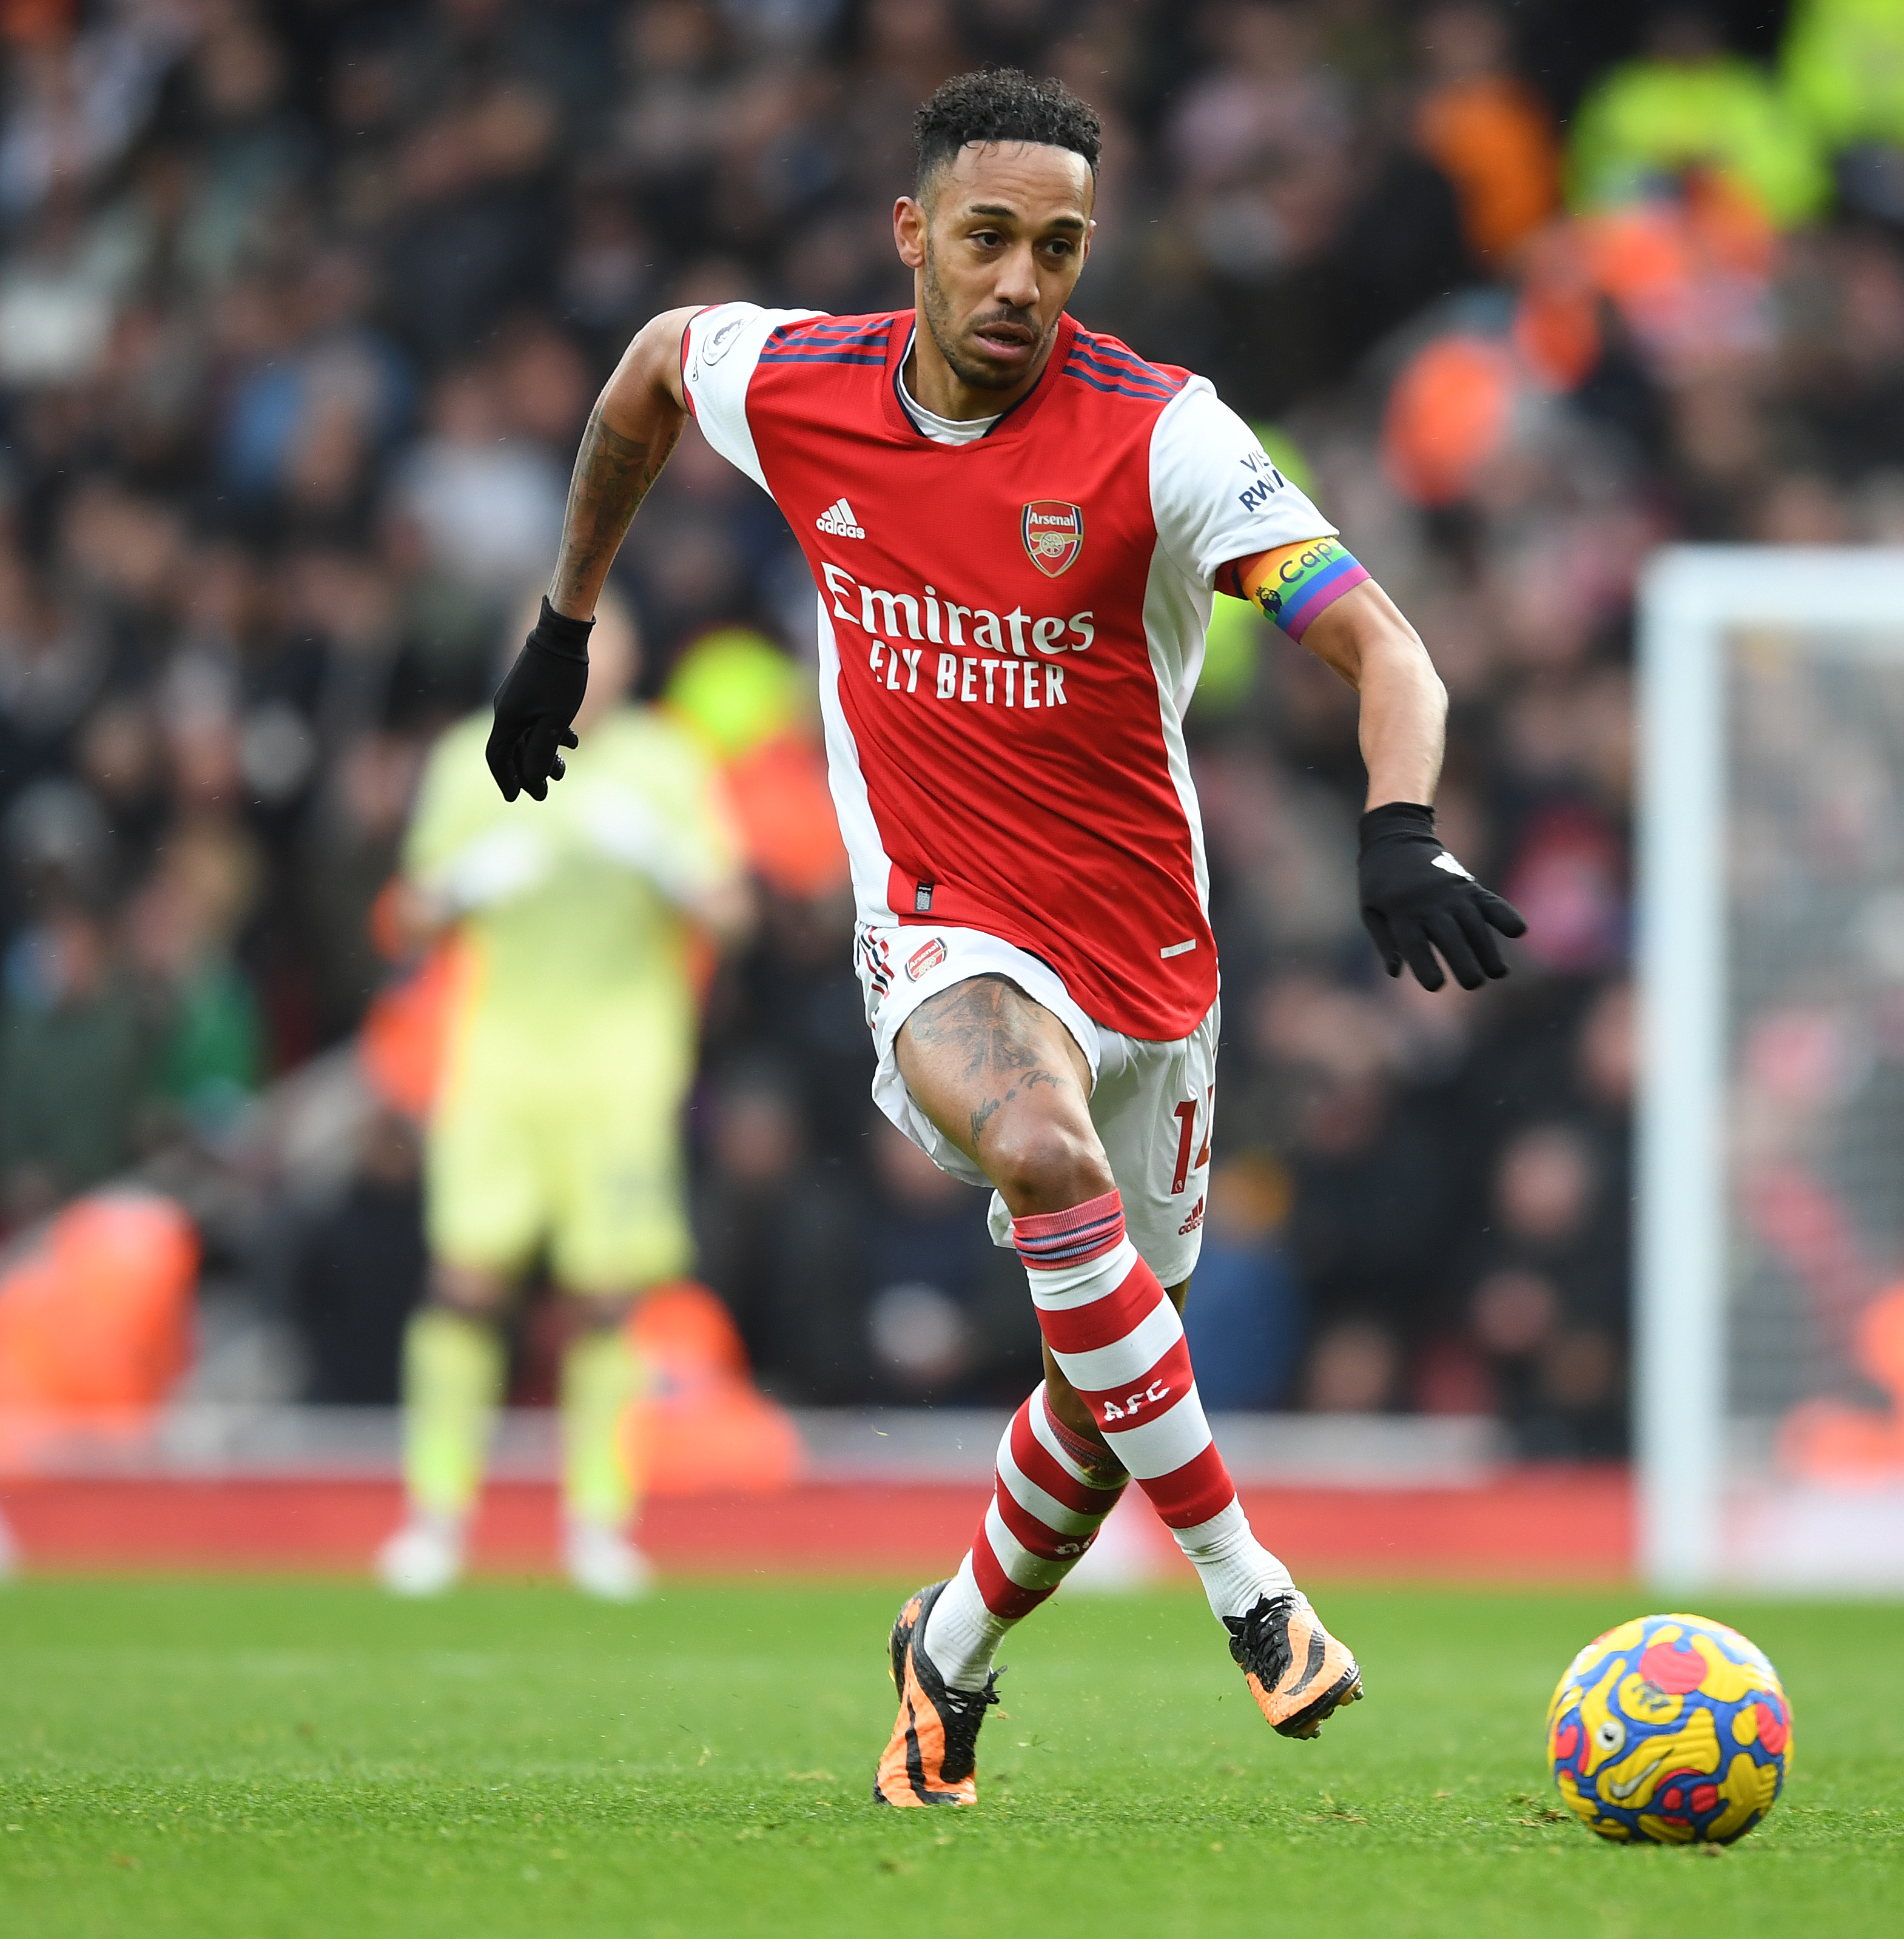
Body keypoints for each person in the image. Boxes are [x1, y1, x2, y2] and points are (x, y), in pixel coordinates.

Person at [485, 69, 1524, 1804]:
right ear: (913, 236)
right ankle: (1251, 1595)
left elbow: (1390, 651)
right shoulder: (802, 383)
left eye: (1057, 246)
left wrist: (1398, 824)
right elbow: (656, 364)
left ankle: (945, 1650)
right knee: (1043, 1161)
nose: (1020, 281)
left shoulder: (1163, 436)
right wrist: (562, 618)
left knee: (1104, 1387)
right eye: (985, 239)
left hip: (1148, 968)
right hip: (939, 926)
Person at [377, 593, 748, 1601]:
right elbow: (404, 921)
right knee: (466, 1280)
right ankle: (437, 1515)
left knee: (606, 1298)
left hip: (624, 1064)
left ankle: (597, 1518)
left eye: (610, 641)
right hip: (498, 1058)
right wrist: (457, 887)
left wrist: (669, 863)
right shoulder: (469, 759)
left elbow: (736, 908)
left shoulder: (668, 764)